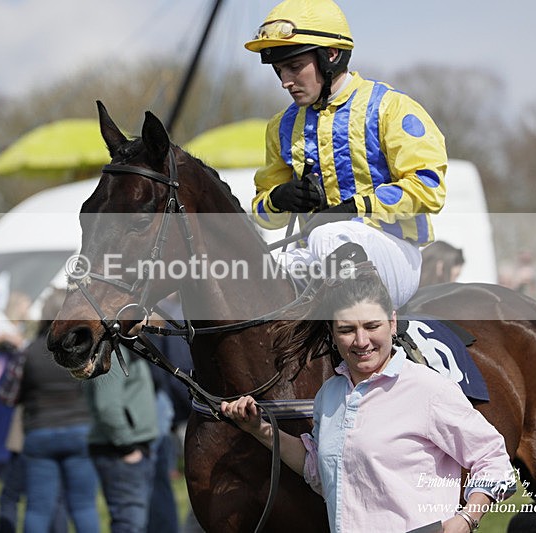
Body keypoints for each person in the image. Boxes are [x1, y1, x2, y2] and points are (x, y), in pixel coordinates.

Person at [221, 267, 516, 531]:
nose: (361, 342)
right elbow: (322, 471)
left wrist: (466, 519)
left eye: (372, 326)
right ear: (332, 333)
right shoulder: (329, 396)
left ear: (392, 322)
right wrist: (259, 429)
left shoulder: (429, 389)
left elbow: (493, 459)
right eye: (347, 330)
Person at [247, 0, 447, 308]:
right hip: (317, 257)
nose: (286, 81)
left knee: (328, 235)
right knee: (253, 276)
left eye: (295, 67)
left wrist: (354, 207)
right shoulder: (281, 126)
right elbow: (263, 215)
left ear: (331, 55)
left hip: (394, 254)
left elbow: (429, 189)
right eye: (279, 70)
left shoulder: (391, 108)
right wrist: (279, 198)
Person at [18, 289, 100, 533]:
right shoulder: (84, 349)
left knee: (37, 508)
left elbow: (10, 393)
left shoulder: (29, 351)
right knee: (84, 506)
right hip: (79, 429)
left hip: (40, 431)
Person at [85, 345, 159, 533]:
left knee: (135, 522)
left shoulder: (129, 347)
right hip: (120, 451)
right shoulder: (112, 352)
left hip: (133, 447)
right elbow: (107, 406)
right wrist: (127, 447)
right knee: (129, 523)